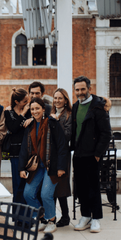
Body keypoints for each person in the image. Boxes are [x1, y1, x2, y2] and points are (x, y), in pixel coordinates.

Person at [19, 98, 68, 234]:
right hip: (36, 166)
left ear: (43, 109)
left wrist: (61, 167)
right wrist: (21, 168)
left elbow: (62, 146)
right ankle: (42, 219)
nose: (35, 111)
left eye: (37, 108)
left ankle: (51, 221)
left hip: (51, 165)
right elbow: (24, 148)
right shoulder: (30, 126)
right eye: (32, 109)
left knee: (46, 194)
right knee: (28, 193)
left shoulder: (52, 123)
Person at [71, 76, 111, 233]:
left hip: (92, 155)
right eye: (77, 90)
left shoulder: (98, 107)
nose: (80, 92)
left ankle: (96, 219)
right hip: (78, 154)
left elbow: (106, 133)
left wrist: (98, 153)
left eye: (82, 89)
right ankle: (85, 216)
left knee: (93, 187)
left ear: (89, 88)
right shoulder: (75, 106)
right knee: (80, 187)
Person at [49, 88, 72, 228]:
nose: (57, 100)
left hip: (63, 154)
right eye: (55, 98)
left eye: (60, 98)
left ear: (65, 100)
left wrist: (57, 123)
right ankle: (52, 215)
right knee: (51, 187)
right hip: (51, 154)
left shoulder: (68, 115)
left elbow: (68, 136)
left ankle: (65, 216)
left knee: (62, 186)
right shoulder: (50, 113)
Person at [4, 88, 29, 208]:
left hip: (29, 152)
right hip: (15, 153)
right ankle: (17, 216)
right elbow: (13, 128)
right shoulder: (8, 113)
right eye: (24, 101)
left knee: (28, 186)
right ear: (16, 101)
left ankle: (28, 215)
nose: (27, 104)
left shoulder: (29, 111)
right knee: (18, 185)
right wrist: (23, 114)